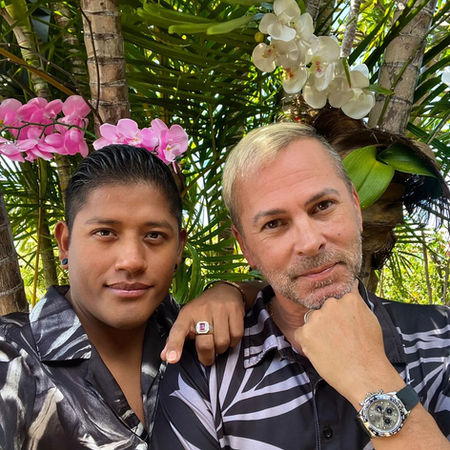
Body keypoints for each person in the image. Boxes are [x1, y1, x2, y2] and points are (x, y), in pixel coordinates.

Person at [151, 123, 450, 449]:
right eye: (274, 224)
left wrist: (370, 378)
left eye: (323, 206)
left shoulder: (442, 340)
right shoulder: (202, 371)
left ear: (355, 206)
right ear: (245, 246)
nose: (309, 243)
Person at [0, 144, 250, 449]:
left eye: (154, 235)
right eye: (105, 232)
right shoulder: (11, 361)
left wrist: (235, 290)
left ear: (178, 248)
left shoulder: (199, 335)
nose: (131, 260)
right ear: (65, 243)